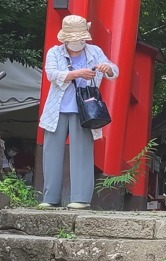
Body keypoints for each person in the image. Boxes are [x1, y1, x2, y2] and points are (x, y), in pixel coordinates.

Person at [38, 14, 118, 208]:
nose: (77, 42)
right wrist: (76, 74)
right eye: (73, 39)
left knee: (81, 152)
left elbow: (114, 71)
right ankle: (50, 198)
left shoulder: (94, 51)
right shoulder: (55, 53)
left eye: (80, 38)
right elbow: (51, 74)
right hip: (57, 108)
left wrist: (106, 68)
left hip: (85, 110)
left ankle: (80, 198)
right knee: (51, 153)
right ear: (65, 38)